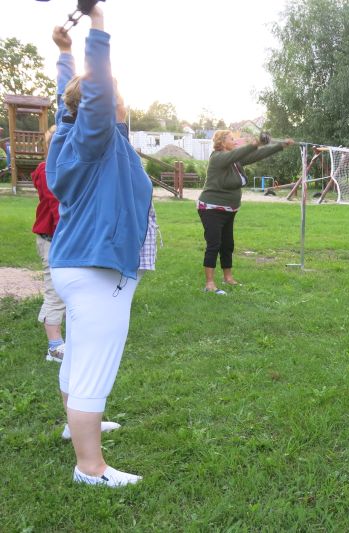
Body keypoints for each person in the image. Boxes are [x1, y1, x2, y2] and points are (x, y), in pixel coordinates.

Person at [47, 6, 157, 487]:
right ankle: (90, 467)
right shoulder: (95, 139)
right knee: (93, 362)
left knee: (78, 355)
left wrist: (65, 53)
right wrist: (98, 24)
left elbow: (67, 99)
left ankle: (75, 427)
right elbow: (89, 97)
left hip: (75, 263)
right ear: (102, 105)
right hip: (96, 269)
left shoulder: (70, 138)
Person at [198, 130, 294, 294]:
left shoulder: (235, 161)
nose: (235, 141)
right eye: (232, 139)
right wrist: (256, 143)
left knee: (228, 244)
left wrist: (281, 145)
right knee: (214, 244)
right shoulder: (217, 157)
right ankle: (209, 284)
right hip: (211, 209)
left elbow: (258, 155)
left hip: (229, 210)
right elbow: (239, 153)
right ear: (222, 142)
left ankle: (228, 278)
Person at [31, 125, 67, 363]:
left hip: (54, 239)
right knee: (56, 292)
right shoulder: (48, 171)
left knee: (59, 290)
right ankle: (54, 348)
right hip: (53, 239)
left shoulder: (52, 169)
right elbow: (57, 208)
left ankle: (53, 331)